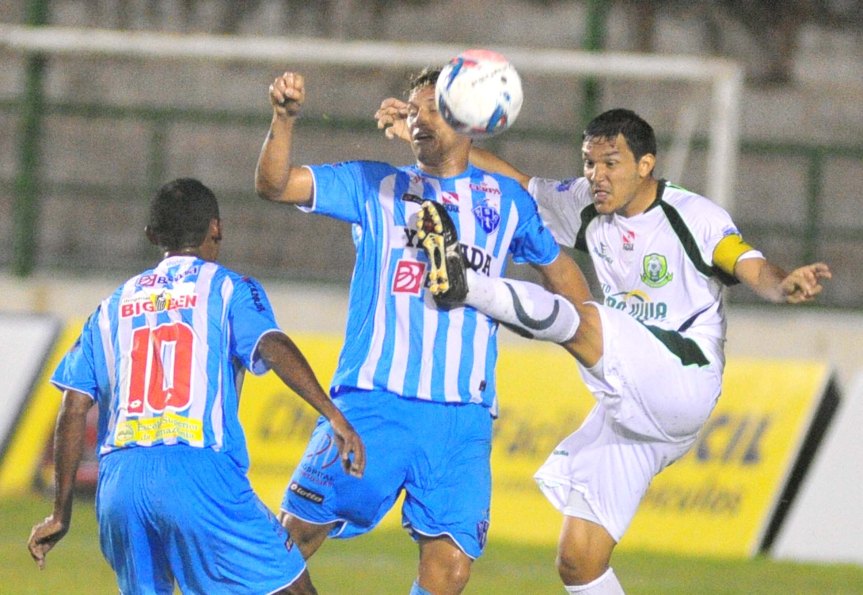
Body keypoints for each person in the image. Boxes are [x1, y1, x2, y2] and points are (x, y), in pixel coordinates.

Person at [377, 105, 832, 593]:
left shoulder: (693, 216)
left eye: (610, 163)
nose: (596, 175)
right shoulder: (586, 204)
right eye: (589, 162)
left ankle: (465, 286)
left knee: (585, 320)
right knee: (579, 560)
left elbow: (745, 262)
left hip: (681, 376)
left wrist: (784, 284)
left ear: (645, 165)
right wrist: (428, 137)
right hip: (630, 405)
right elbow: (514, 181)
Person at [254, 68, 587, 595]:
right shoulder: (374, 185)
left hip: (462, 418)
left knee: (449, 571)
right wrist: (283, 118)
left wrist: (593, 333)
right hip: (373, 403)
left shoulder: (505, 203)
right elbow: (274, 184)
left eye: (433, 108)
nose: (419, 119)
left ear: (468, 120)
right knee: (288, 540)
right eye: (413, 110)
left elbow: (560, 270)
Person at [27, 178, 365, 595]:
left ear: (153, 235)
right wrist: (333, 415)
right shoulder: (228, 289)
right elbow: (271, 346)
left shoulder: (110, 306)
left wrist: (60, 513)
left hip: (120, 485)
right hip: (199, 470)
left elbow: (73, 407)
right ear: (217, 228)